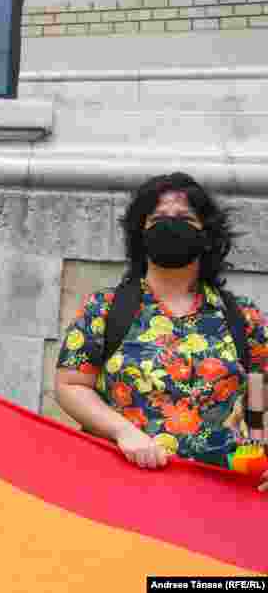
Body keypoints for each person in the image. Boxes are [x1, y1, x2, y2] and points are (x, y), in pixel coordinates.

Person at [55, 172, 268, 491]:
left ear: (207, 235)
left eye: (184, 218)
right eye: (157, 218)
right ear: (140, 234)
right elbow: (70, 385)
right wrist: (122, 431)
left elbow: (262, 394)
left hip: (219, 495)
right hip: (117, 486)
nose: (171, 225)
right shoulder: (105, 308)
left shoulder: (244, 316)